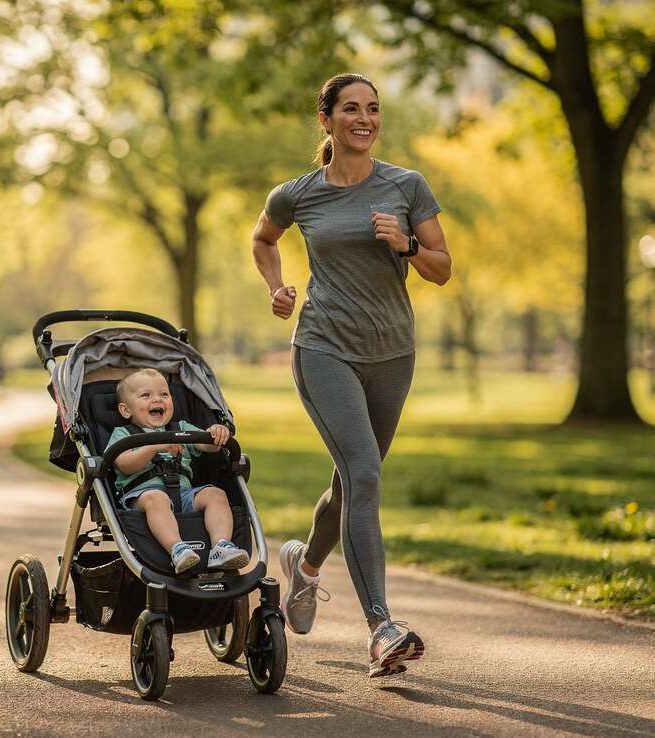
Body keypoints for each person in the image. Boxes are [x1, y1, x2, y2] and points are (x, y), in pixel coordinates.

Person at [250, 73, 452, 678]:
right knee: (362, 471)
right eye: (351, 109)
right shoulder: (298, 193)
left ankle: (305, 568)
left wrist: (409, 247)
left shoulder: (407, 186)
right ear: (327, 120)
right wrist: (276, 287)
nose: (364, 119)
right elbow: (264, 239)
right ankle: (381, 627)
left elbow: (442, 268)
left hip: (393, 352)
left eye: (373, 109)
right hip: (322, 346)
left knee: (353, 482)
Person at [107, 368, 250, 574]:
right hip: (142, 496)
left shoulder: (180, 427)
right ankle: (177, 548)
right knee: (157, 498)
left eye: (164, 394)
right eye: (146, 395)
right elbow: (124, 464)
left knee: (215, 494)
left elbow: (208, 446)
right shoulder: (123, 434)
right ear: (126, 410)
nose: (157, 400)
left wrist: (214, 435)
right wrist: (156, 446)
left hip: (183, 495)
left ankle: (221, 546)